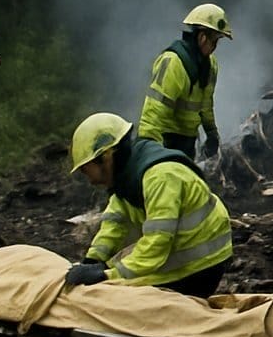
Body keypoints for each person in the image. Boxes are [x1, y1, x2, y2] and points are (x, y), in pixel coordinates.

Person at [66, 112, 233, 296]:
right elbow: (114, 225)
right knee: (120, 282)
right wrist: (92, 262)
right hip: (180, 249)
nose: (89, 180)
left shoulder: (161, 178)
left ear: (105, 156)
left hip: (202, 264)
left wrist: (106, 276)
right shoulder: (126, 180)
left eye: (85, 170)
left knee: (125, 296)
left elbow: (157, 244)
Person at [138, 4, 232, 160]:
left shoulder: (210, 65)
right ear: (202, 37)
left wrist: (211, 132)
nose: (215, 47)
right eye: (214, 41)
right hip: (166, 141)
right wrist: (151, 151)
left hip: (188, 141)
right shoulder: (173, 62)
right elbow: (154, 112)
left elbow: (206, 103)